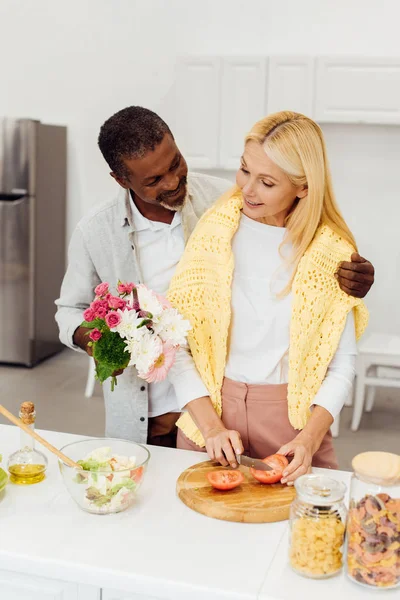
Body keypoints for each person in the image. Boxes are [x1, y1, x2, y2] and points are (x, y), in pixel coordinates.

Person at [55, 106, 374, 448]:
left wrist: (346, 275)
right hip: (151, 415)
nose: (174, 181)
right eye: (154, 180)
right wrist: (94, 340)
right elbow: (70, 309)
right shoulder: (95, 232)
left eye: (175, 163)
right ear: (121, 180)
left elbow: (291, 228)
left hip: (222, 406)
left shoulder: (227, 202)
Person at [167, 111, 369, 482]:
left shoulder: (332, 253)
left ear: (303, 187)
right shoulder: (213, 233)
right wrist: (210, 427)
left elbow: (341, 366)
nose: (247, 190)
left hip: (294, 426)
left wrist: (308, 439)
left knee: (304, 536)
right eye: (244, 170)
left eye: (267, 182)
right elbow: (178, 344)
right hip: (209, 423)